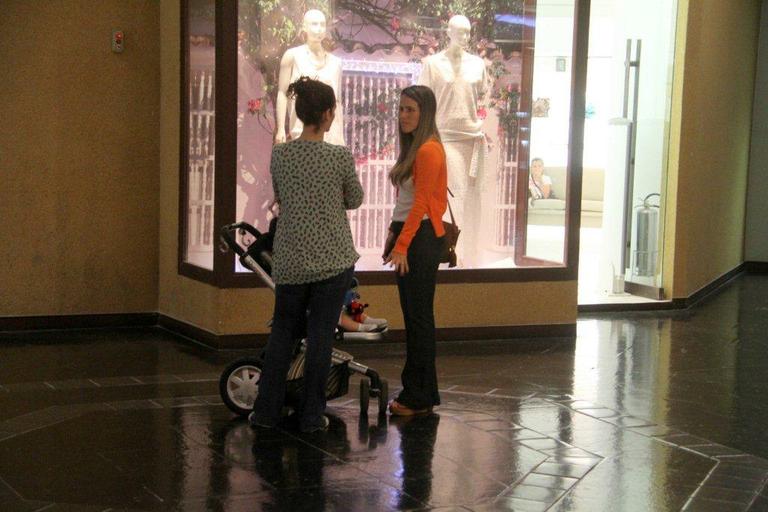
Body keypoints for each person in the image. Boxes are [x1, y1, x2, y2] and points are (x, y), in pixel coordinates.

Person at [250, 76, 363, 433]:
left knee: (282, 333)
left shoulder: (280, 155)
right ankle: (311, 416)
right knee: (320, 338)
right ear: (328, 114)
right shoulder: (338, 156)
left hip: (290, 260)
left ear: (299, 112)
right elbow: (355, 199)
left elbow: (283, 197)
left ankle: (266, 411)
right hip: (332, 260)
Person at [383, 85, 447, 416]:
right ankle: (421, 392)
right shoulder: (415, 148)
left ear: (425, 114)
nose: (404, 115)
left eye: (411, 110)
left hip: (421, 241)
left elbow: (421, 205)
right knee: (415, 319)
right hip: (410, 238)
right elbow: (405, 203)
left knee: (419, 319)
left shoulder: (429, 150)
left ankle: (417, 395)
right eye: (401, 109)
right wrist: (393, 237)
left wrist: (402, 245)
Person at [419, 14, 490, 267]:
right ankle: (449, 252)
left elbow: (482, 99)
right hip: (445, 138)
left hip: (472, 139)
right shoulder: (433, 64)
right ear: (448, 32)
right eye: (459, 31)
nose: (464, 37)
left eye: (468, 32)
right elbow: (422, 102)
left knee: (473, 198)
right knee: (452, 196)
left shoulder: (477, 65)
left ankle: (471, 255)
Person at [274, 10, 345, 145]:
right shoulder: (292, 56)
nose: (319, 29)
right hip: (301, 131)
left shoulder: (336, 63)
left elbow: (338, 102)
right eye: (314, 24)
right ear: (304, 26)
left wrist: (340, 137)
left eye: (322, 24)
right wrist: (281, 129)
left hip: (331, 136)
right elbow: (282, 93)